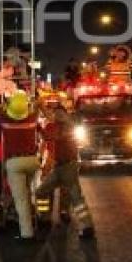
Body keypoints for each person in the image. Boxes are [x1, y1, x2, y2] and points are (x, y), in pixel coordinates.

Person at [35, 97, 94, 239]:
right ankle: (44, 218)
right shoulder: (63, 125)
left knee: (75, 197)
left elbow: (50, 136)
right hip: (59, 166)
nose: (55, 115)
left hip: (68, 166)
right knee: (41, 192)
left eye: (58, 113)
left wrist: (38, 125)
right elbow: (49, 134)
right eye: (55, 113)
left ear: (64, 115)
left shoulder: (66, 126)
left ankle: (87, 226)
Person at [0, 91, 40, 241]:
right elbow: (36, 109)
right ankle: (31, 218)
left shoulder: (5, 121)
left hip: (14, 163)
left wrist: (6, 105)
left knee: (21, 199)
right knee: (27, 193)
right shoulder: (32, 119)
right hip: (31, 161)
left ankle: (27, 233)